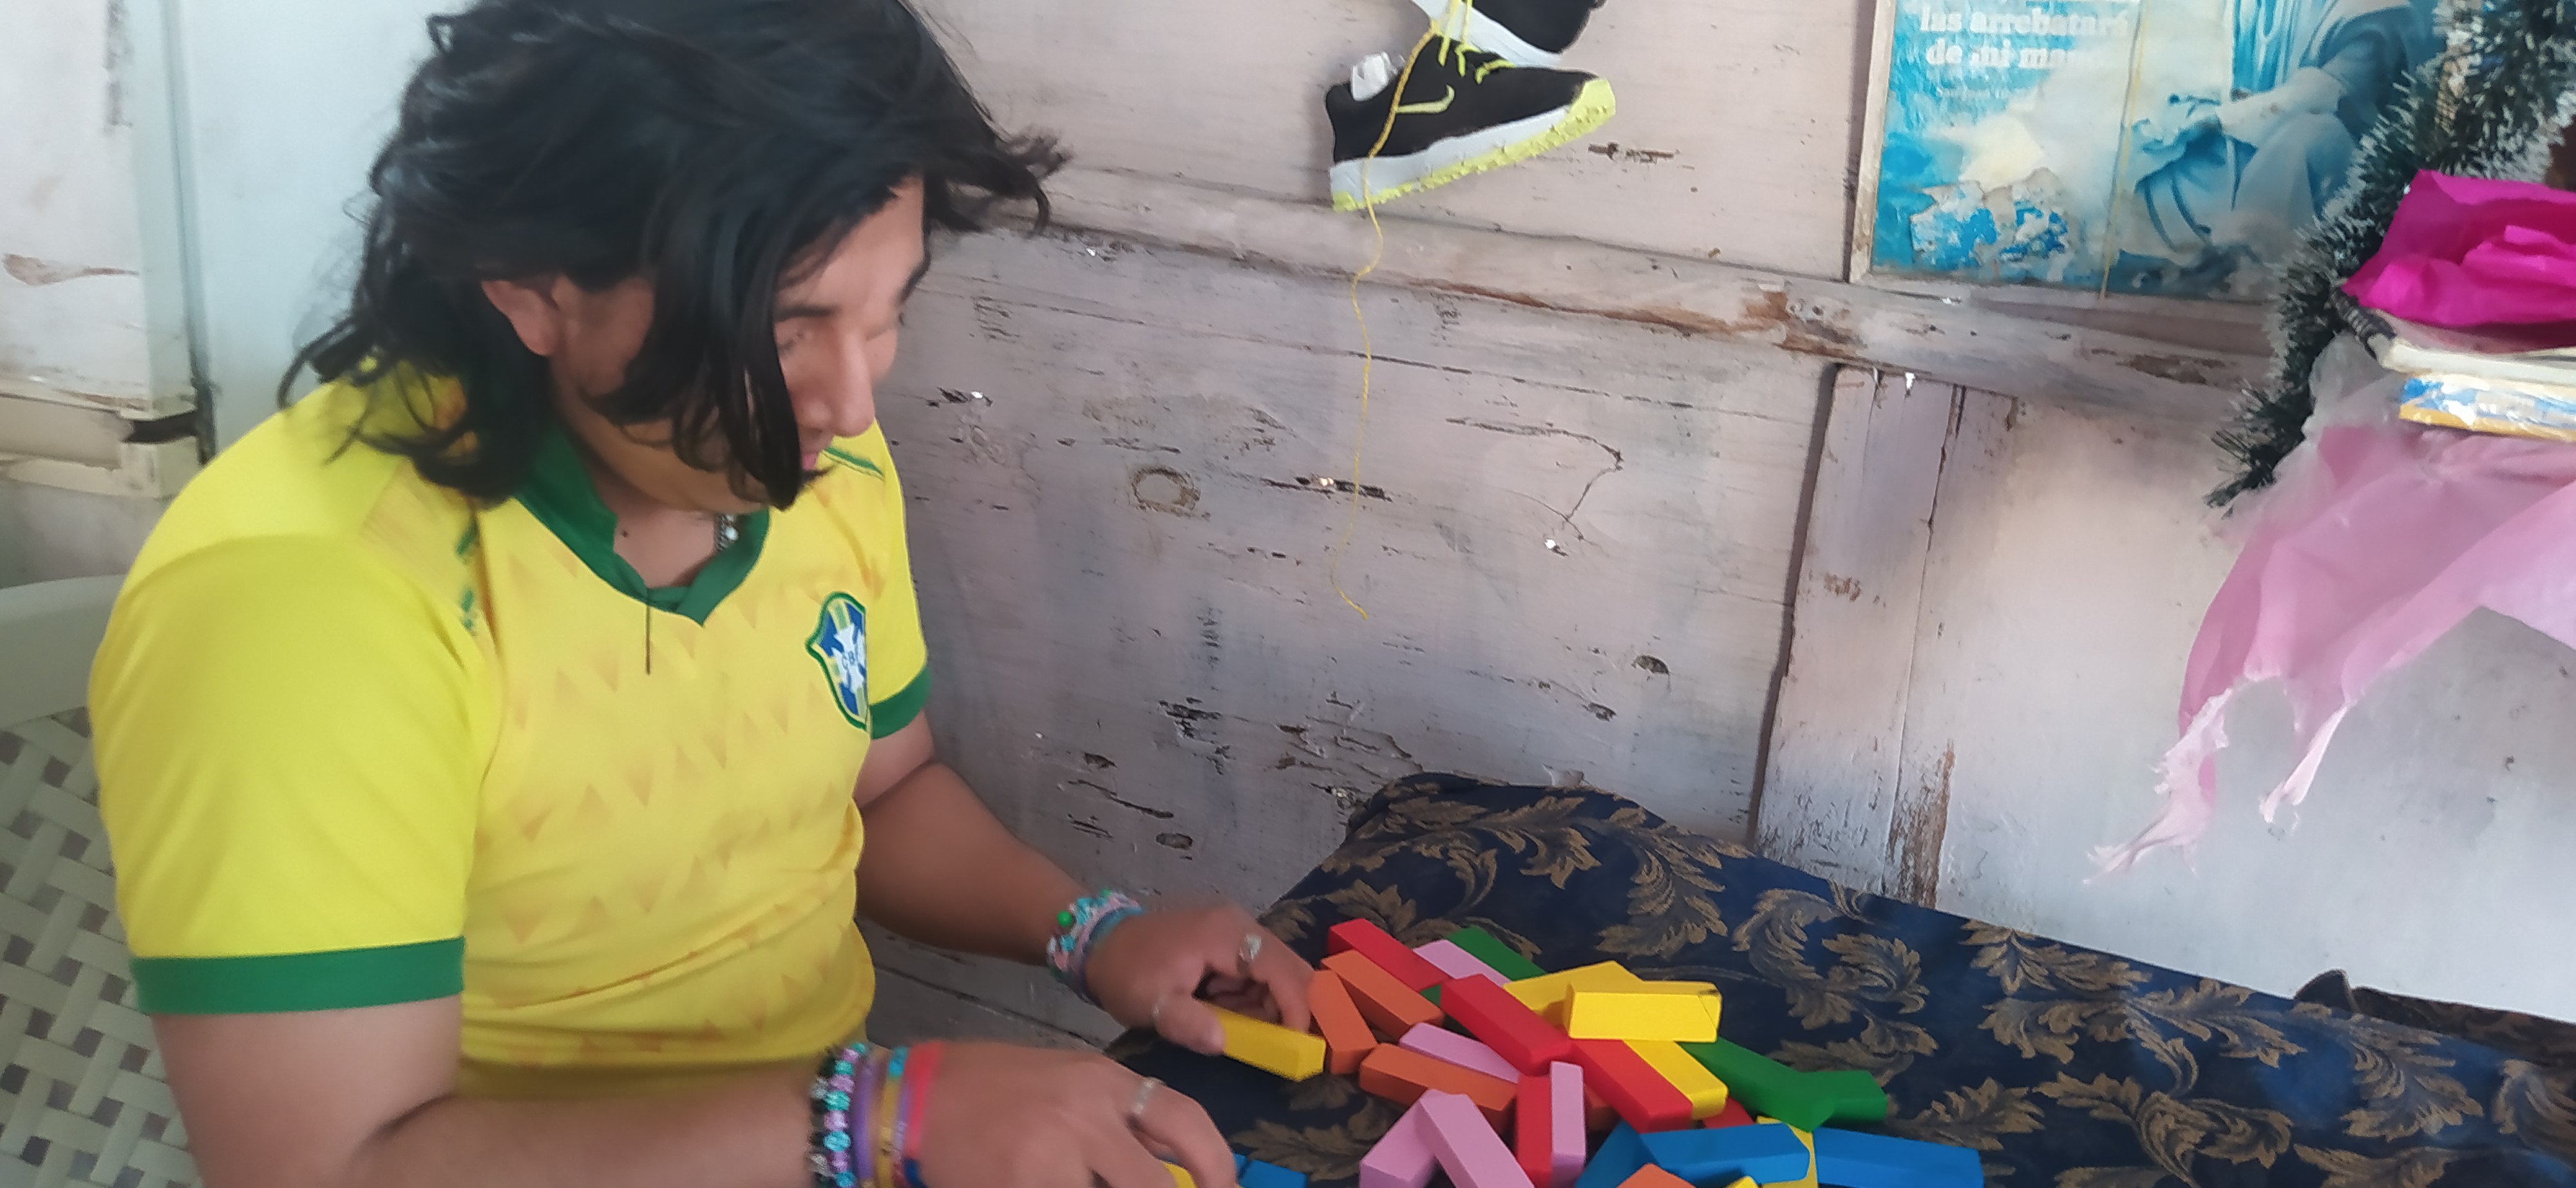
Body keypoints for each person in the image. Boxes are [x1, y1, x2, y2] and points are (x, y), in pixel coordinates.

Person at [84, 2, 1311, 1186]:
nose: (852, 405)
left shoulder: (805, 456)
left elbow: (882, 787)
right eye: (786, 329)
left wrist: (1092, 931)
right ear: (530, 285)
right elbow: (328, 1165)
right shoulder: (304, 605)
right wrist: (881, 1115)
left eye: (886, 314)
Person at [2124, 0, 2436, 280]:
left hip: (2337, 157)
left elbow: (2328, 93)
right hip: (2249, 132)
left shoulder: (2376, 11)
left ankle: (2246, 267)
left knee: (2303, 140)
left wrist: (2220, 118)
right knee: (2165, 165)